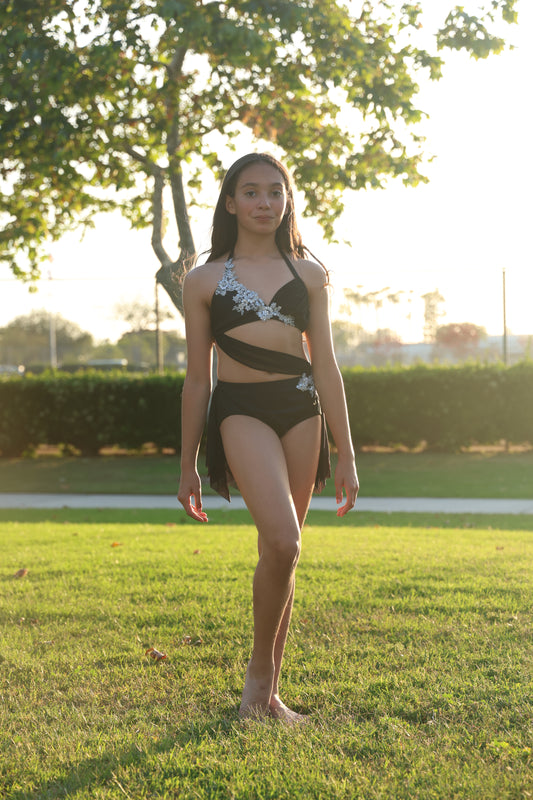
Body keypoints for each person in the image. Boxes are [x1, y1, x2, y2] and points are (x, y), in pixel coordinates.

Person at [177, 153, 359, 722]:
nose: (263, 203)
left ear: (288, 200)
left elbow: (326, 365)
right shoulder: (203, 279)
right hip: (241, 412)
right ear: (230, 203)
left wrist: (346, 455)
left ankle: (268, 697)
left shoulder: (310, 275)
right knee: (283, 539)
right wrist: (188, 466)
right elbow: (196, 377)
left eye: (274, 192)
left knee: (283, 552)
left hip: (302, 410)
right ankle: (256, 687)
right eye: (250, 192)